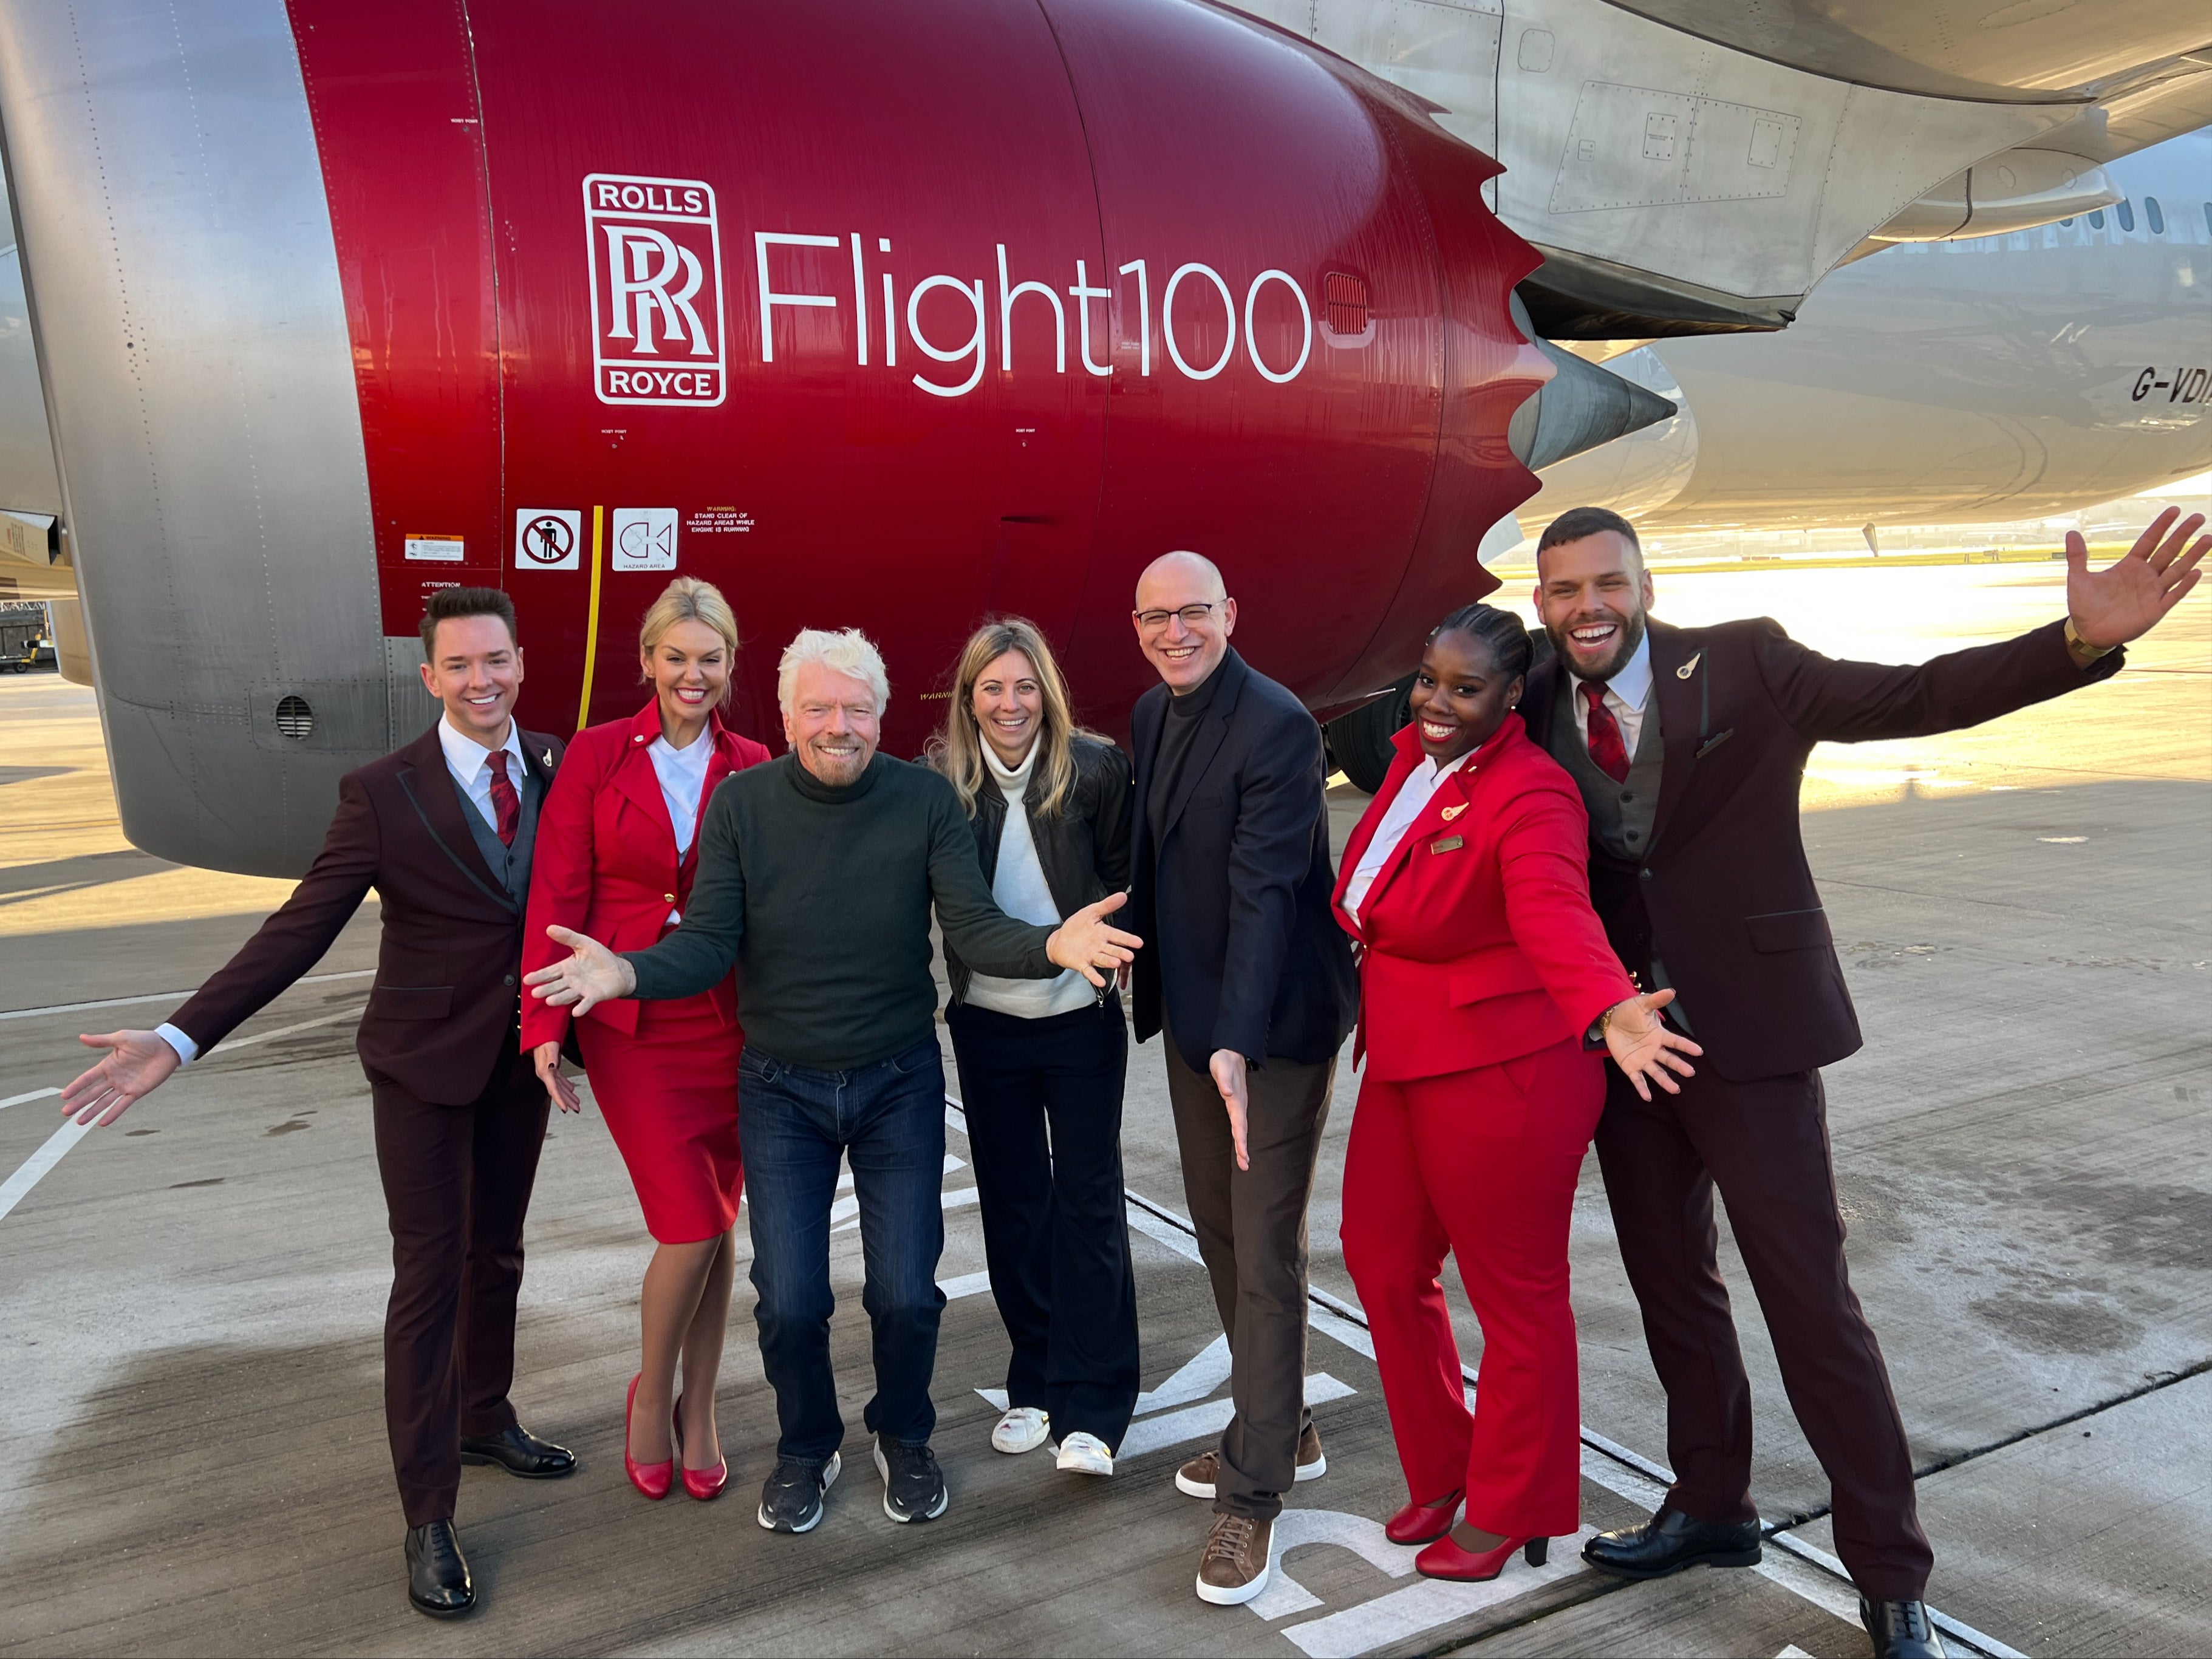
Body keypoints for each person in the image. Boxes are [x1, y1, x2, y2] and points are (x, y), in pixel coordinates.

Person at [1528, 504, 2204, 1659]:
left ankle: (1891, 1575)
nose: (1586, 606)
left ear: (1642, 583)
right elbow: (1408, 725)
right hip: (1624, 1042)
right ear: (1539, 603)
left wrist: (2077, 643)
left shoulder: (1744, 657)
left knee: (1810, 1306)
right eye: (1562, 591)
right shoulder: (1533, 690)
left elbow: (1917, 695)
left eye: (1605, 583)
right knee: (1669, 1290)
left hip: (1753, 1033)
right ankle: (1710, 1506)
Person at [523, 628, 1142, 1537]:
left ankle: (905, 1432)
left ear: (882, 715)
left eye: (856, 709)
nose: (837, 726)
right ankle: (806, 1447)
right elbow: (707, 944)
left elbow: (970, 928)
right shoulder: (743, 807)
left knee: (904, 1291)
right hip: (780, 1089)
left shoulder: (923, 800)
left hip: (896, 1081)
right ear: (785, 716)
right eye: (818, 708)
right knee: (791, 1299)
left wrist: (1050, 944)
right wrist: (627, 972)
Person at [60, 587, 576, 1621]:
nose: (483, 681)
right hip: (421, 1070)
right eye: (461, 666)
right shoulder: (383, 793)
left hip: (520, 1063)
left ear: (521, 665)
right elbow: (298, 931)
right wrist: (177, 1037)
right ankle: (428, 1513)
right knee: (429, 1277)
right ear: (430, 678)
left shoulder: (558, 767)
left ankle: (484, 1417)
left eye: (498, 662)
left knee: (499, 1252)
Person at [1332, 603, 1701, 1584]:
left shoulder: (1533, 794)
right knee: (1376, 1260)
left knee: (1515, 1299)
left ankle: (1513, 1507)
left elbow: (1551, 910)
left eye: (1465, 689)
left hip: (1507, 1067)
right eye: (1428, 680)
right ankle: (1447, 1469)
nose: (1437, 702)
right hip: (1409, 1054)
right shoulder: (1412, 763)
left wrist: (1608, 1006)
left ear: (1510, 695)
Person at [1125, 550, 1360, 1606]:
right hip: (1195, 1021)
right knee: (1220, 1226)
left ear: (1229, 611)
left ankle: (1253, 1494)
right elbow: (1162, 864)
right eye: (1153, 617)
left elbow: (1266, 891)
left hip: (1269, 1029)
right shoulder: (1151, 714)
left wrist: (1236, 1036)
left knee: (1264, 1242)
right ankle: (1286, 1422)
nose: (1173, 632)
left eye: (1191, 613)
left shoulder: (1275, 725)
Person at [521, 577, 771, 1504]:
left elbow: (775, 901)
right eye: (676, 658)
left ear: (730, 666)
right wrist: (543, 1023)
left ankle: (699, 1408)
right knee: (693, 1221)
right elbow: (554, 895)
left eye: (710, 660)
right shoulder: (592, 756)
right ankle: (648, 1396)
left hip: (732, 1025)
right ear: (648, 662)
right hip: (630, 1025)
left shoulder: (753, 761)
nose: (692, 675)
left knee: (715, 1225)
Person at [927, 618, 1139, 1477]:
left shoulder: (1093, 767)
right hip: (987, 1023)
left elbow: (1128, 879)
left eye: (1023, 687)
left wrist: (1115, 965)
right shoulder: (942, 781)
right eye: (991, 688)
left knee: (1087, 1206)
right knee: (1015, 1206)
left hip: (1077, 1018)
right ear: (968, 697)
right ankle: (1036, 1383)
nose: (1008, 705)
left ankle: (1096, 1405)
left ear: (1044, 691)